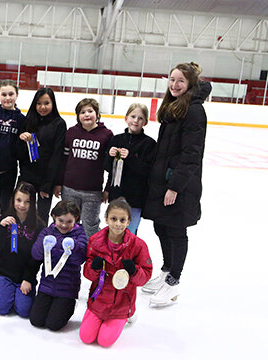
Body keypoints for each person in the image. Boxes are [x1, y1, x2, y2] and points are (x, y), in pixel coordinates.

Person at [142, 62, 211, 306]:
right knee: (161, 227)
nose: (174, 85)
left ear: (190, 84)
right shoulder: (173, 107)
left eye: (180, 80)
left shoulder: (194, 111)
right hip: (164, 180)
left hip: (179, 184)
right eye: (172, 80)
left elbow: (191, 154)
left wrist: (175, 187)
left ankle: (174, 282)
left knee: (175, 230)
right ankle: (166, 270)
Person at [80, 198, 153, 347]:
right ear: (106, 219)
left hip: (121, 302)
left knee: (105, 341)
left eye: (122, 220)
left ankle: (126, 316)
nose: (118, 224)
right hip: (99, 300)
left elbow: (144, 277)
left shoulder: (138, 245)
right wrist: (94, 267)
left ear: (128, 222)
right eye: (113, 219)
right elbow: (87, 274)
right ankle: (97, 317)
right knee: (86, 338)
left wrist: (134, 271)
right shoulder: (95, 241)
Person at [54, 98, 113, 239]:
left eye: (90, 111)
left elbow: (111, 165)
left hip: (92, 191)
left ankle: (90, 256)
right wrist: (58, 183)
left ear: (97, 114)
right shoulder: (71, 133)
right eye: (82, 112)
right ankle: (66, 254)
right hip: (69, 188)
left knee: (90, 225)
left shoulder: (106, 135)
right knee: (67, 223)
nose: (86, 115)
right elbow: (63, 160)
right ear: (78, 116)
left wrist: (108, 189)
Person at [29, 200, 87, 331]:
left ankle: (70, 304)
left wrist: (74, 247)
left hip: (67, 288)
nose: (64, 225)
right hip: (46, 285)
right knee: (36, 321)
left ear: (76, 219)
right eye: (61, 220)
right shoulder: (47, 232)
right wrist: (43, 244)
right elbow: (36, 255)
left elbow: (81, 259)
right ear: (54, 217)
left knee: (54, 324)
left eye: (69, 222)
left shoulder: (80, 234)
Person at [0, 181, 45, 318]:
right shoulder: (5, 219)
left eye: (27, 202)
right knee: (2, 309)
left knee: (24, 311)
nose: (22, 205)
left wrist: (28, 278)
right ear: (13, 199)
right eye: (18, 200)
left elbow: (37, 257)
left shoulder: (39, 225)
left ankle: (22, 292)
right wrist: (0, 227)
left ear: (32, 202)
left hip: (25, 276)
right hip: (6, 274)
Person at [103, 103, 156, 235]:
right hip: (116, 194)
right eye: (133, 116)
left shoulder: (149, 144)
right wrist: (109, 157)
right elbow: (108, 168)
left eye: (140, 118)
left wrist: (131, 158)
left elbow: (147, 171)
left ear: (145, 122)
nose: (136, 121)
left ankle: (128, 256)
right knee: (114, 230)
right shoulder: (116, 139)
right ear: (126, 118)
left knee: (130, 232)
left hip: (136, 197)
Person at [16, 87, 66, 224]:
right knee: (21, 211)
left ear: (53, 104)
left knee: (42, 216)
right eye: (39, 103)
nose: (42, 107)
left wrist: (48, 184)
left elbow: (57, 155)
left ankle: (39, 243)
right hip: (27, 177)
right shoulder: (28, 121)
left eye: (46, 103)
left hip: (46, 179)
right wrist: (21, 140)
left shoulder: (59, 124)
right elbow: (19, 154)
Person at [0, 80, 26, 214]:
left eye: (11, 94)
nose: (8, 98)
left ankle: (2, 233)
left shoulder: (21, 119)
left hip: (9, 171)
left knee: (6, 206)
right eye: (4, 94)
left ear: (17, 95)